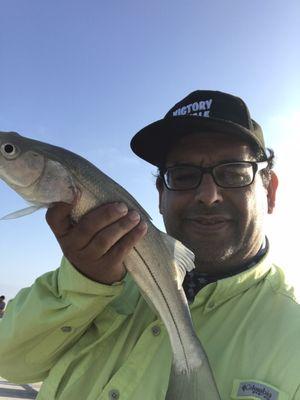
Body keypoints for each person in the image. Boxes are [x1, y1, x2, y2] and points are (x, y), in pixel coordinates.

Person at [0, 90, 299, 399]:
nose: (209, 195)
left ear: (271, 192)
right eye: (183, 175)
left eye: (234, 173)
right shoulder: (96, 276)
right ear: (160, 194)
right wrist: (83, 283)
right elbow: (9, 362)